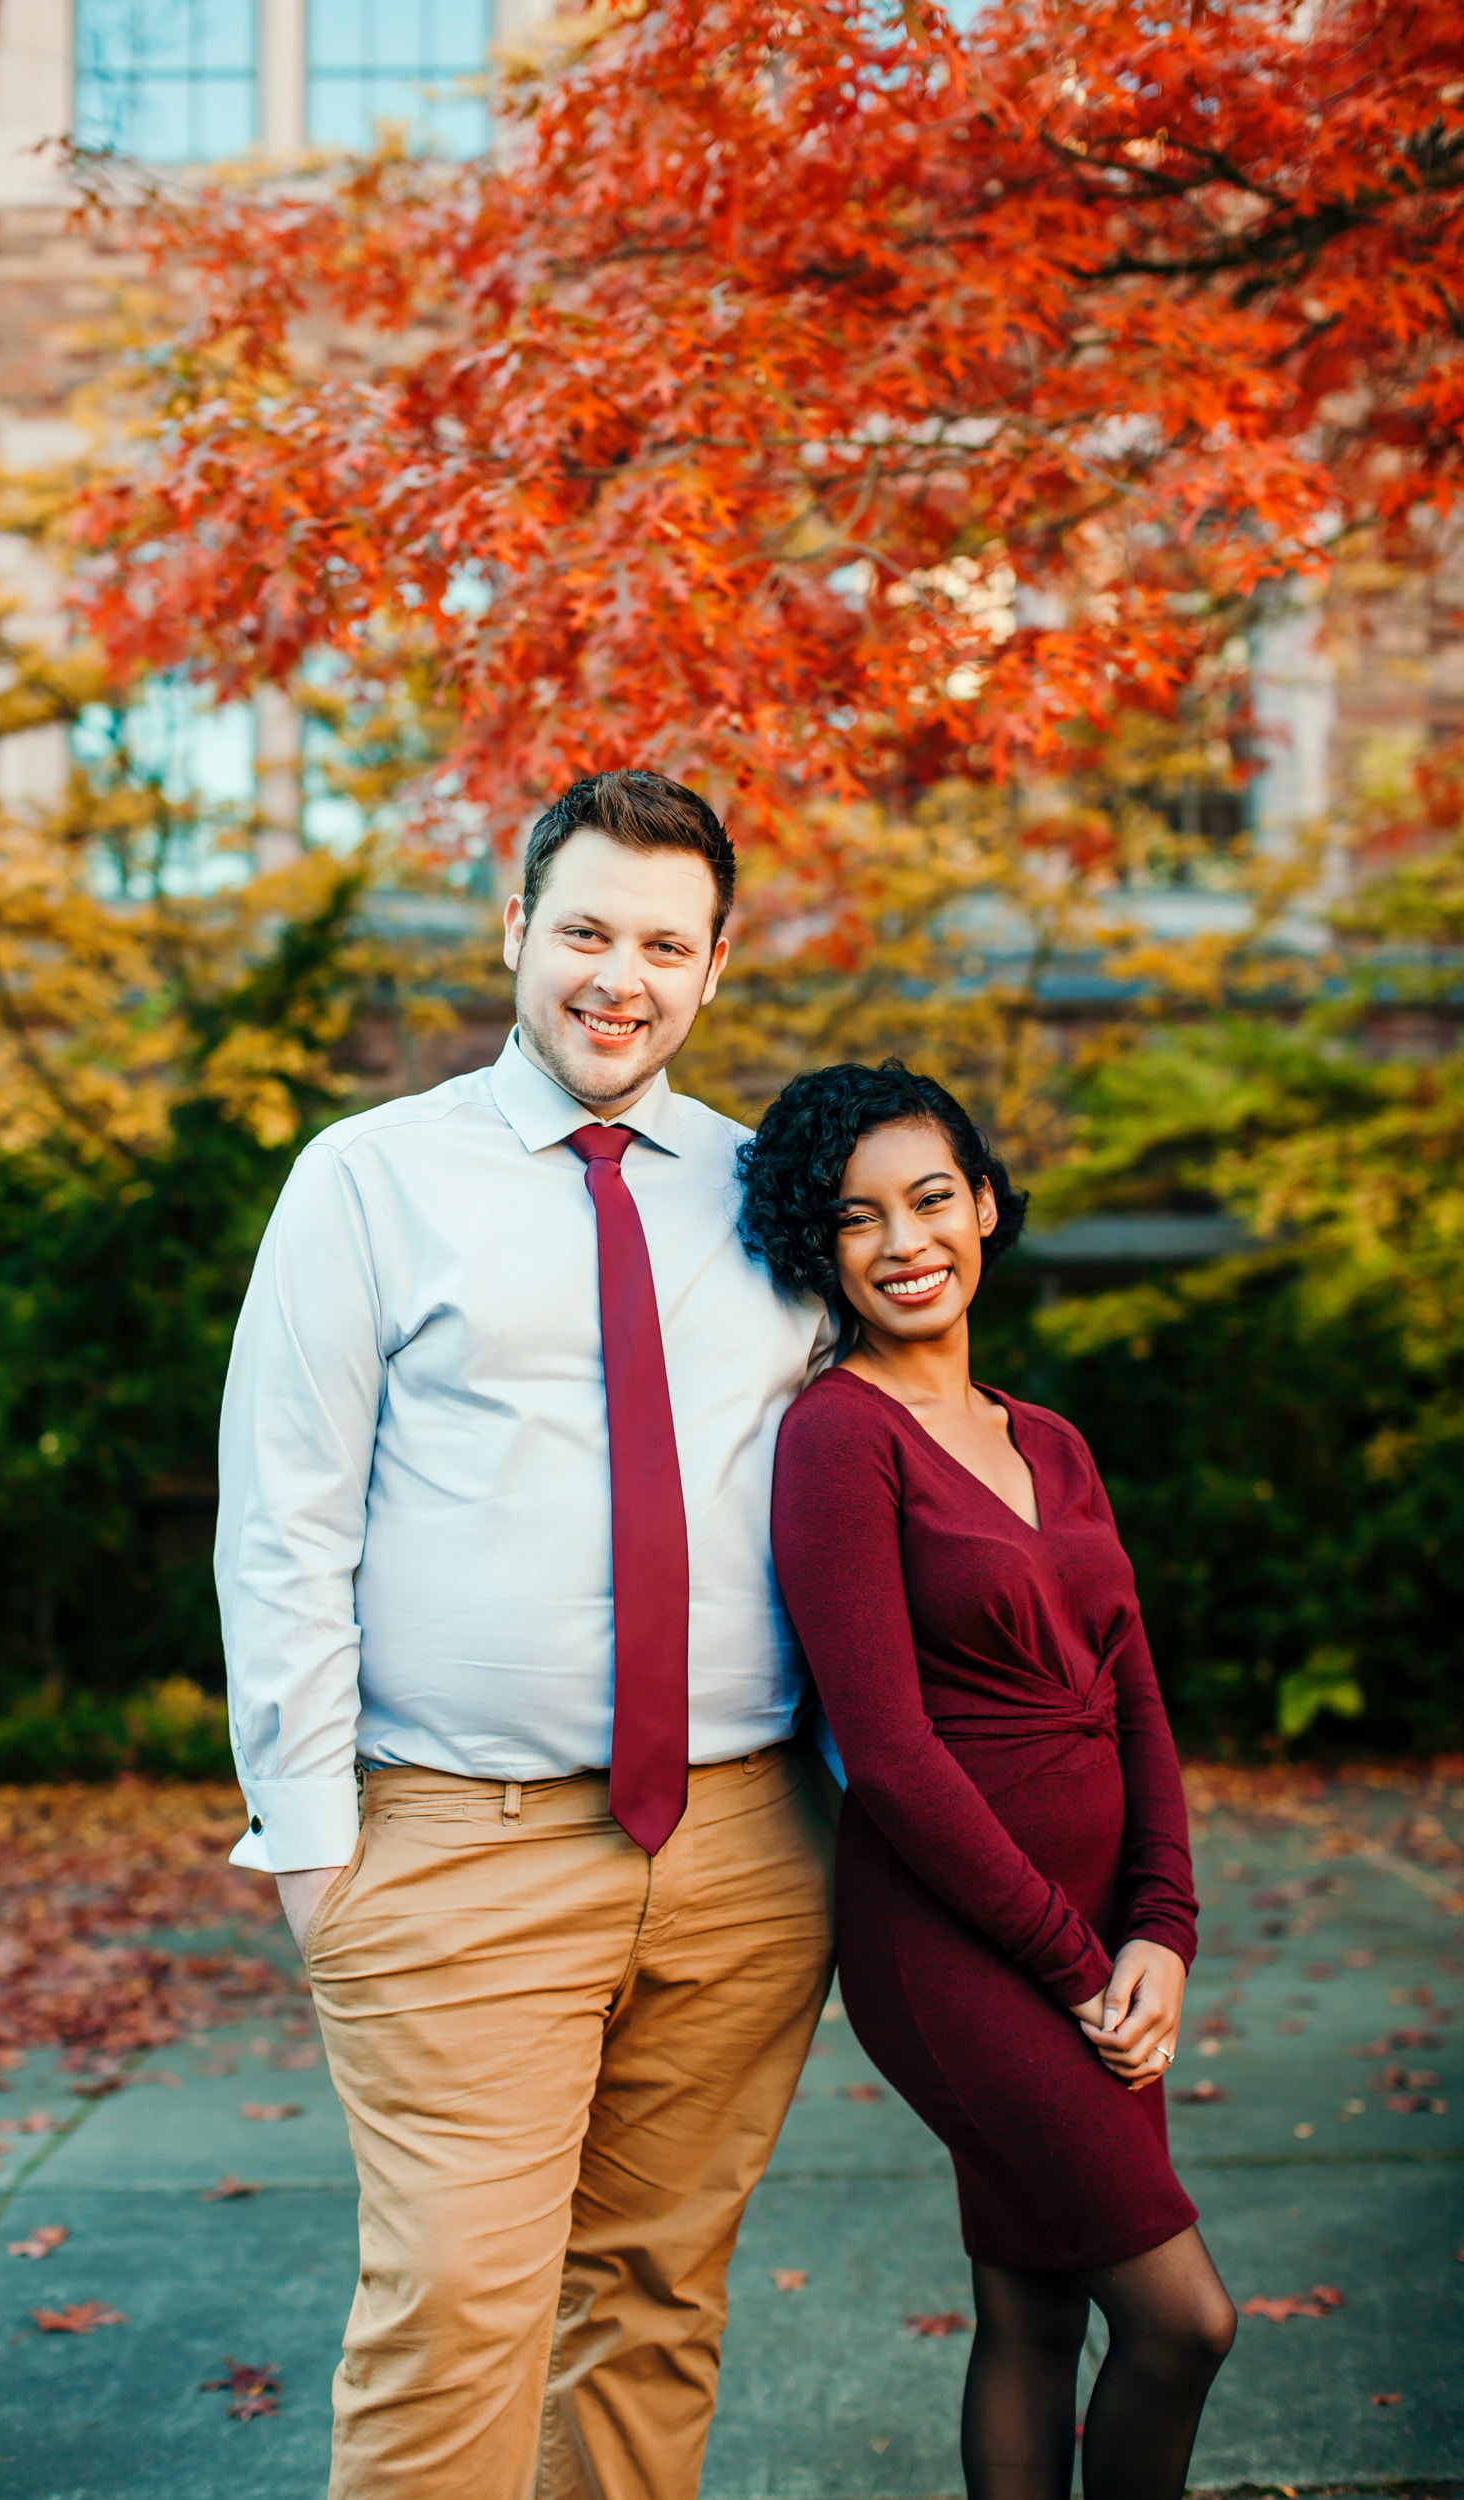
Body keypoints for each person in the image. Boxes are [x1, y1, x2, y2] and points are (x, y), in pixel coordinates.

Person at [215, 770, 835, 2500]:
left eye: (661, 941)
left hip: (746, 1855)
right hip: (457, 1850)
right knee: (454, 2322)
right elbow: (283, 1522)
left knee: (654, 2312)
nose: (615, 975)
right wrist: (315, 1845)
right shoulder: (370, 1178)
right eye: (583, 930)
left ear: (716, 966)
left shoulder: (767, 1191)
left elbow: (866, 1471)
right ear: (514, 933)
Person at [739, 1058, 1236, 2500]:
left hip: (1100, 1936)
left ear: (988, 1204)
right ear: (812, 1248)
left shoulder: (1052, 1440)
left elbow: (1135, 1690)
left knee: (1036, 2301)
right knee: (1184, 2324)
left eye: (932, 1198)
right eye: (855, 1219)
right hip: (952, 1947)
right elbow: (887, 1753)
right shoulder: (837, 1437)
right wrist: (1080, 1967)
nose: (904, 1243)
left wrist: (1164, 1928)